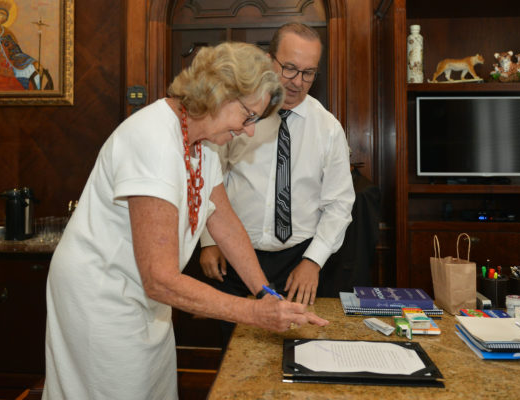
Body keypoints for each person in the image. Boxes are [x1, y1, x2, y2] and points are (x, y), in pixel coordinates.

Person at [43, 42, 328, 400]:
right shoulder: (153, 140)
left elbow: (224, 222)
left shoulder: (203, 144)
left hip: (146, 295)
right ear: (220, 93)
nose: (250, 130)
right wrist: (253, 313)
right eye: (249, 116)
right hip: (101, 298)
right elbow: (160, 279)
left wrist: (266, 292)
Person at [199, 23, 355, 344]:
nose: (298, 82)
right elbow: (209, 178)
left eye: (309, 73)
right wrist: (207, 239)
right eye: (290, 68)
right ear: (270, 61)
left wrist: (313, 261)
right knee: (233, 354)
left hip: (297, 264)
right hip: (234, 258)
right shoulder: (240, 113)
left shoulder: (328, 128)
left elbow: (339, 205)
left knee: (293, 351)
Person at [0, 3, 46, 91]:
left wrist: (33, 62)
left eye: (5, 16)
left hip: (6, 72)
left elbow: (16, 53)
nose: (3, 17)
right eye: (1, 14)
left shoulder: (8, 34)